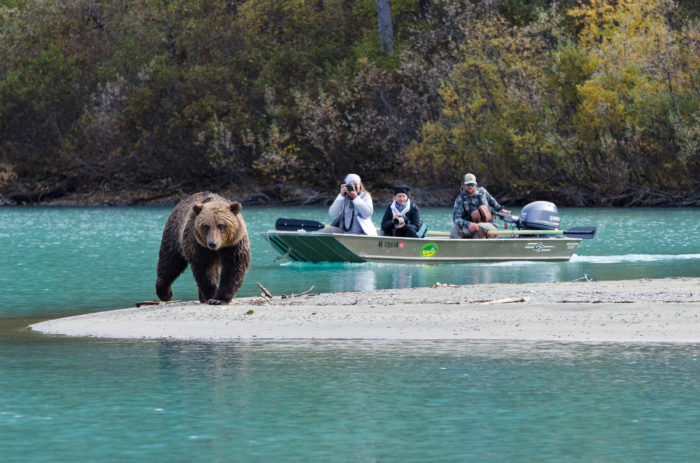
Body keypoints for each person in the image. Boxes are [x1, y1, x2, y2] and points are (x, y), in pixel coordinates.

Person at [450, 173, 511, 239]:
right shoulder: (460, 199)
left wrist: (502, 210)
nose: (470, 186)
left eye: (472, 184)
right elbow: (456, 219)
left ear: (476, 185)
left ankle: (476, 248)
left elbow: (495, 205)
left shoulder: (483, 192)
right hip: (471, 227)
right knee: (455, 227)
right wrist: (468, 224)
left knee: (480, 226)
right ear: (463, 185)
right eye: (468, 184)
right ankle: (457, 247)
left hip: (490, 225)